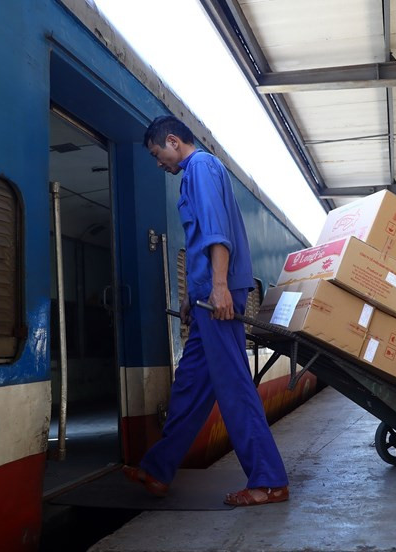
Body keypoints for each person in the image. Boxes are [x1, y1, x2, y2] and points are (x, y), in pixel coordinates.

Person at [123, 115, 289, 506]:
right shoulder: (194, 173)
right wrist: (190, 296)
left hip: (217, 295)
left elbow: (216, 231)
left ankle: (269, 481)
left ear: (173, 141)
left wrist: (217, 287)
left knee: (233, 386)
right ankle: (158, 469)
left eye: (157, 154)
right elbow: (200, 241)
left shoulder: (200, 168)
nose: (159, 163)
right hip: (204, 300)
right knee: (190, 388)